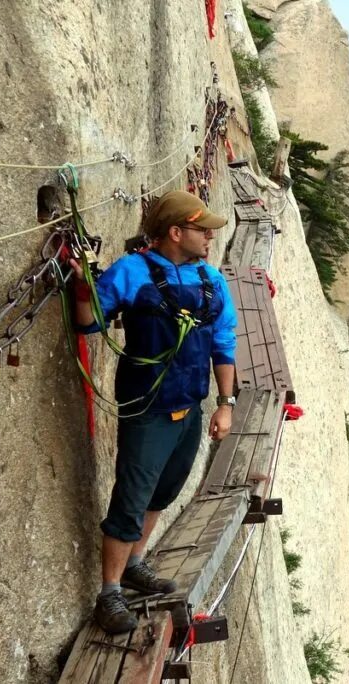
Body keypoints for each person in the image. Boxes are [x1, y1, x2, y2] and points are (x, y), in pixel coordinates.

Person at [71, 191, 238, 634]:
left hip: (189, 406)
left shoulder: (210, 281)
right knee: (132, 495)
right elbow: (90, 322)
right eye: (203, 229)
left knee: (162, 491)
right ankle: (109, 593)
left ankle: (135, 564)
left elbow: (223, 342)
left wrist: (225, 404)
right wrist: (84, 289)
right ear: (176, 231)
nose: (209, 237)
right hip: (147, 407)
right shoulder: (132, 273)